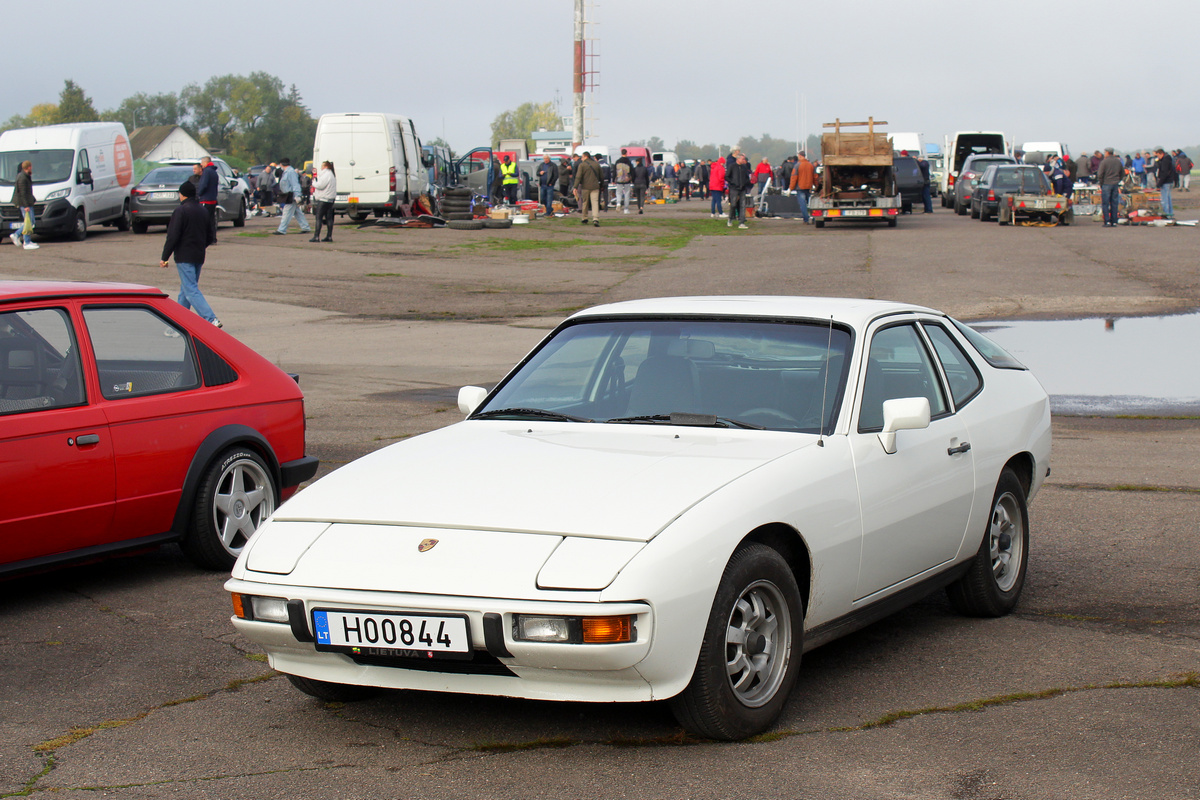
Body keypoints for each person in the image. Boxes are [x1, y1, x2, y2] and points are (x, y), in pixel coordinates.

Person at [160, 180, 220, 328]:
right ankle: (178, 324)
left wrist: (164, 257)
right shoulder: (203, 210)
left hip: (184, 256)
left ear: (182, 195)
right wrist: (201, 246)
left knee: (191, 290)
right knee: (185, 290)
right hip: (199, 255)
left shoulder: (180, 211)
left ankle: (210, 319)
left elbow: (173, 235)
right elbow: (210, 235)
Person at [274, 159, 312, 235]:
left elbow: (295, 184)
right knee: (297, 213)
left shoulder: (290, 172)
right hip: (288, 194)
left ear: (281, 164)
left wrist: (297, 195)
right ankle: (305, 227)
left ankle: (282, 229)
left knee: (286, 212)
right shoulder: (287, 172)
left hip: (291, 195)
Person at [10, 160, 38, 250]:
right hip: (25, 204)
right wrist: (26, 206)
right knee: (29, 222)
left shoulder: (25, 176)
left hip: (27, 202)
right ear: (28, 167)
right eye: (31, 166)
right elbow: (22, 193)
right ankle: (26, 241)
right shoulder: (22, 177)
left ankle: (19, 236)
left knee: (30, 222)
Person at [1095, 147, 1125, 227]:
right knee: (1114, 203)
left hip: (1106, 184)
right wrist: (1118, 180)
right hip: (1115, 184)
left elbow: (1100, 174)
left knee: (1105, 203)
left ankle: (1107, 221)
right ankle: (1114, 221)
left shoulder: (1104, 162)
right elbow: (1122, 173)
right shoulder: (1118, 161)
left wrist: (1101, 183)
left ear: (1107, 153)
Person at [573, 151, 603, 227]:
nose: (581, 159)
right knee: (595, 202)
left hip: (585, 187)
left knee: (585, 202)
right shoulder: (596, 164)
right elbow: (601, 176)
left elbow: (578, 177)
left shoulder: (582, 165)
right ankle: (595, 218)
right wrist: (601, 185)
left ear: (586, 157)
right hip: (595, 186)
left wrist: (575, 187)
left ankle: (585, 217)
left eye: (582, 157)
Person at [310, 161, 337, 242]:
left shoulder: (326, 174)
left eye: (322, 165)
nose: (321, 167)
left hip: (323, 199)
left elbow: (320, 185)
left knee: (318, 217)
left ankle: (316, 236)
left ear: (325, 166)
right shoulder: (332, 174)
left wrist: (314, 182)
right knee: (329, 218)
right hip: (330, 199)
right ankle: (329, 236)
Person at [195, 156, 220, 243]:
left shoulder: (207, 172)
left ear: (206, 163)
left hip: (206, 199)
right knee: (211, 220)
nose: (201, 165)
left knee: (204, 220)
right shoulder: (214, 172)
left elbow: (203, 185)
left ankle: (207, 238)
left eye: (202, 163)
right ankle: (213, 238)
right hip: (213, 199)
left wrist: (199, 194)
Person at [726, 153, 753, 229]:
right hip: (734, 188)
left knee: (742, 205)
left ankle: (741, 222)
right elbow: (727, 176)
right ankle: (730, 218)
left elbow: (747, 177)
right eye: (743, 159)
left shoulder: (744, 167)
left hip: (742, 189)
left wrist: (747, 183)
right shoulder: (732, 166)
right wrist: (732, 182)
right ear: (738, 159)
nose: (744, 160)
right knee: (733, 204)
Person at [788, 151, 816, 224]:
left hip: (800, 187)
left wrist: (790, 188)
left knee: (803, 204)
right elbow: (815, 177)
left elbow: (794, 178)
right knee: (810, 204)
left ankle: (806, 220)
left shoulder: (797, 165)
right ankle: (813, 218)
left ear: (800, 156)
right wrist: (816, 186)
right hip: (809, 187)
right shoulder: (811, 165)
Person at [1154, 147, 1176, 218]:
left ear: (1161, 154)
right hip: (1170, 181)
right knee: (1168, 198)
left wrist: (1159, 184)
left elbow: (1164, 172)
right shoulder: (1168, 159)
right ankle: (1170, 214)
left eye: (1158, 155)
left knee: (1164, 200)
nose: (1158, 157)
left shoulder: (1165, 161)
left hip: (1165, 182)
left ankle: (1166, 214)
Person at [612, 149, 633, 213]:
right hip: (627, 180)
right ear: (626, 153)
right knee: (627, 194)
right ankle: (626, 209)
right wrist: (632, 179)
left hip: (619, 180)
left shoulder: (617, 161)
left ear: (621, 153)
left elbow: (614, 171)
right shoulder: (629, 162)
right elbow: (632, 171)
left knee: (618, 192)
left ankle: (618, 203)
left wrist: (613, 180)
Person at [708, 154, 726, 218]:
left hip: (712, 185)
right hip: (718, 185)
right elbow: (721, 177)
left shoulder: (713, 167)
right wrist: (722, 185)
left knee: (714, 200)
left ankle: (713, 213)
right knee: (718, 200)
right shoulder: (721, 168)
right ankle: (720, 213)